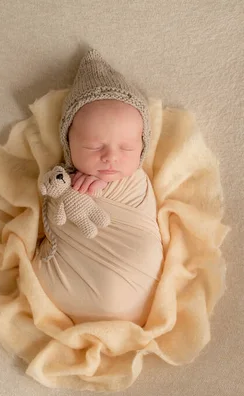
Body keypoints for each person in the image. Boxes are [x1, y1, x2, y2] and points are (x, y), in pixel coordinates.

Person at [34, 49, 163, 326]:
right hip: (70, 284)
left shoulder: (136, 182)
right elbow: (50, 215)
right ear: (69, 144)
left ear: (142, 147)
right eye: (94, 147)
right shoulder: (62, 181)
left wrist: (104, 188)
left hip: (136, 279)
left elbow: (144, 228)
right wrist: (68, 194)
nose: (111, 158)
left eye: (127, 148)